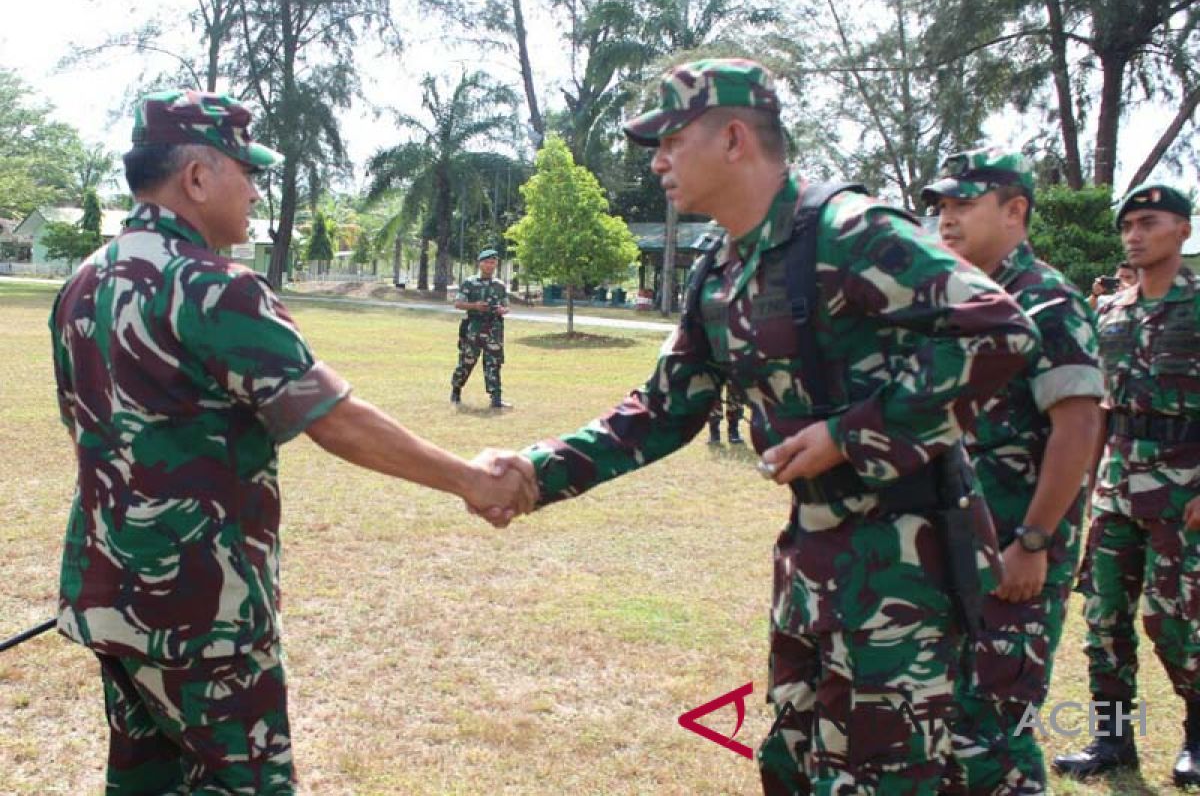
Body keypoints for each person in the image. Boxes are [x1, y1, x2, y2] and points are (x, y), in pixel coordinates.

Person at [478, 59, 1040, 794]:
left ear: (734, 137)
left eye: (671, 141)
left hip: (908, 574)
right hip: (812, 571)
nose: (658, 163)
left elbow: (998, 330)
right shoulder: (720, 269)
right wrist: (538, 468)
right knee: (794, 769)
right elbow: (662, 409)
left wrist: (848, 435)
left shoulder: (850, 231)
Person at [48, 90, 534, 795]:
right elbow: (333, 418)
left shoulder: (83, 280)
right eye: (247, 170)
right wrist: (469, 478)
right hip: (203, 616)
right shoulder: (214, 287)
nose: (255, 189)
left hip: (109, 597)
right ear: (196, 178)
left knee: (144, 784)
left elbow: (88, 427)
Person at [921, 148, 1103, 794]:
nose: (947, 220)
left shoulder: (1049, 303)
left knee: (993, 731)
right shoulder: (961, 300)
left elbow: (1079, 428)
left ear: (1015, 211)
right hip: (958, 544)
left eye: (963, 204)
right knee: (944, 718)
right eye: (941, 207)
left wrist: (1034, 542)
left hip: (1016, 555)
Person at [1053, 183, 1200, 788]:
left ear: (1183, 231)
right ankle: (1112, 740)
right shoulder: (1110, 312)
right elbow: (1099, 411)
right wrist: (1087, 491)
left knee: (1177, 623)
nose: (1135, 234)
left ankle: (1196, 738)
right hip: (1116, 488)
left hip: (1184, 491)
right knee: (1105, 620)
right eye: (1128, 226)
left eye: (1150, 222)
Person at [451, 248, 511, 409]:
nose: (491, 266)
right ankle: (456, 391)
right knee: (467, 360)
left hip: (494, 329)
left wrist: (501, 310)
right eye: (487, 262)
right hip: (474, 327)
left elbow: (506, 306)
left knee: (494, 362)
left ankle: (496, 398)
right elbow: (457, 303)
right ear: (480, 263)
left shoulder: (499, 285)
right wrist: (475, 306)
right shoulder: (470, 283)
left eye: (493, 263)